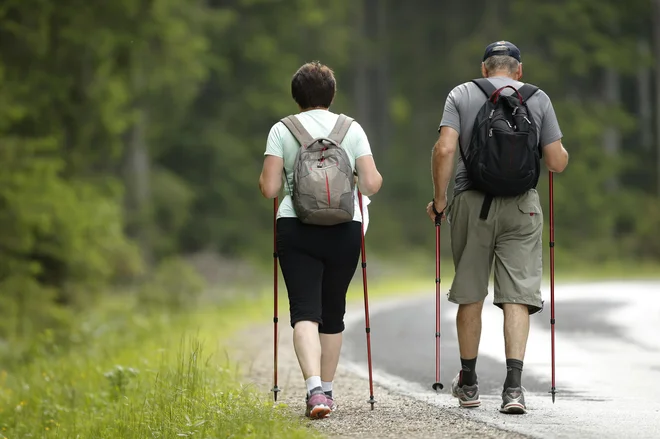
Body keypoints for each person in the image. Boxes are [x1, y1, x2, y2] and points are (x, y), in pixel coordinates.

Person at [426, 41, 569, 414]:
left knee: (471, 292)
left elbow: (444, 150)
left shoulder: (462, 94)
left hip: (472, 203)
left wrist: (440, 202)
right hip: (523, 208)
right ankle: (513, 389)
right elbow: (556, 162)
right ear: (518, 70)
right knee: (518, 295)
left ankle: (469, 383)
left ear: (484, 68)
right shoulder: (537, 99)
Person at [259, 61, 383, 419]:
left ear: (296, 97)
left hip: (295, 227)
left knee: (304, 312)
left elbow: (270, 188)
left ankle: (313, 390)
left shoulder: (282, 129)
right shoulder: (351, 128)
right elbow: (371, 184)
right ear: (331, 95)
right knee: (333, 311)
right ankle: (327, 391)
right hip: (345, 227)